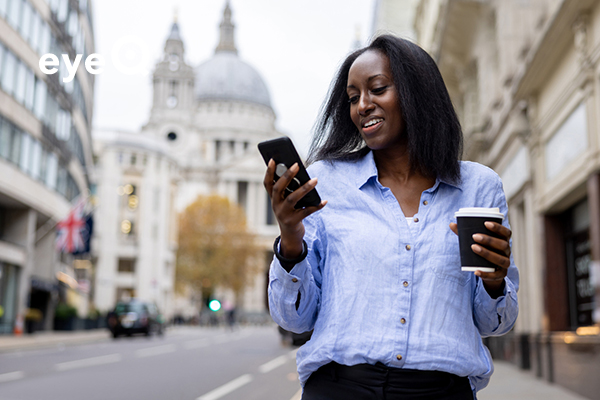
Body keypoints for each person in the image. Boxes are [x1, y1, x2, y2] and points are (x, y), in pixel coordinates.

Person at [263, 35, 518, 400]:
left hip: (440, 392)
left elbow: (496, 322)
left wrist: (494, 281)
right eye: (352, 98)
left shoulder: (478, 187)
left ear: (417, 93)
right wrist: (290, 239)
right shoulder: (327, 181)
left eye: (377, 89)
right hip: (340, 389)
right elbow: (294, 319)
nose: (362, 106)